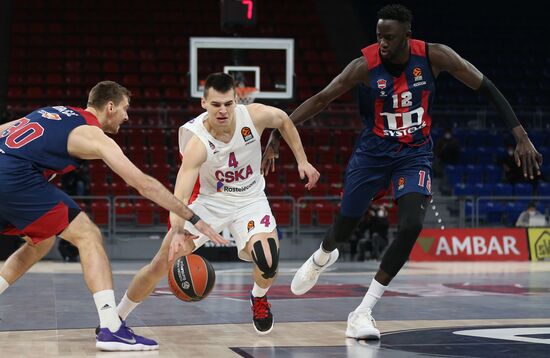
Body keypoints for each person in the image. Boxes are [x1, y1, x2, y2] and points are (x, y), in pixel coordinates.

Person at [261, 4, 543, 340]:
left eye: (389, 37)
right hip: (373, 154)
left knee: (411, 225)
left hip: (414, 154)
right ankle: (323, 255)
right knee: (345, 226)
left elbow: (487, 87)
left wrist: (521, 135)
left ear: (407, 37)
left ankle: (363, 311)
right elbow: (322, 98)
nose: (382, 42)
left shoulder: (435, 57)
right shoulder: (364, 66)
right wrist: (279, 133)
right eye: (379, 35)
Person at [0, 81, 224, 351]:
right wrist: (192, 216)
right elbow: (143, 184)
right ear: (110, 106)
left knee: (43, 240)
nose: (127, 116)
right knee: (88, 235)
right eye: (124, 109)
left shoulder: (53, 111)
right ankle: (111, 328)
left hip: (8, 170)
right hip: (14, 178)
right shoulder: (92, 135)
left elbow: (4, 130)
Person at [113, 73, 319, 336]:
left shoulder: (254, 116)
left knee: (268, 260)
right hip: (210, 202)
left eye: (228, 104)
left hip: (250, 199)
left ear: (236, 100)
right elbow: (181, 195)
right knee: (161, 263)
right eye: (216, 105)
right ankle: (117, 316)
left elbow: (284, 121)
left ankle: (258, 298)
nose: (223, 110)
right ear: (204, 104)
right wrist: (177, 230)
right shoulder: (198, 142)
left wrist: (301, 160)